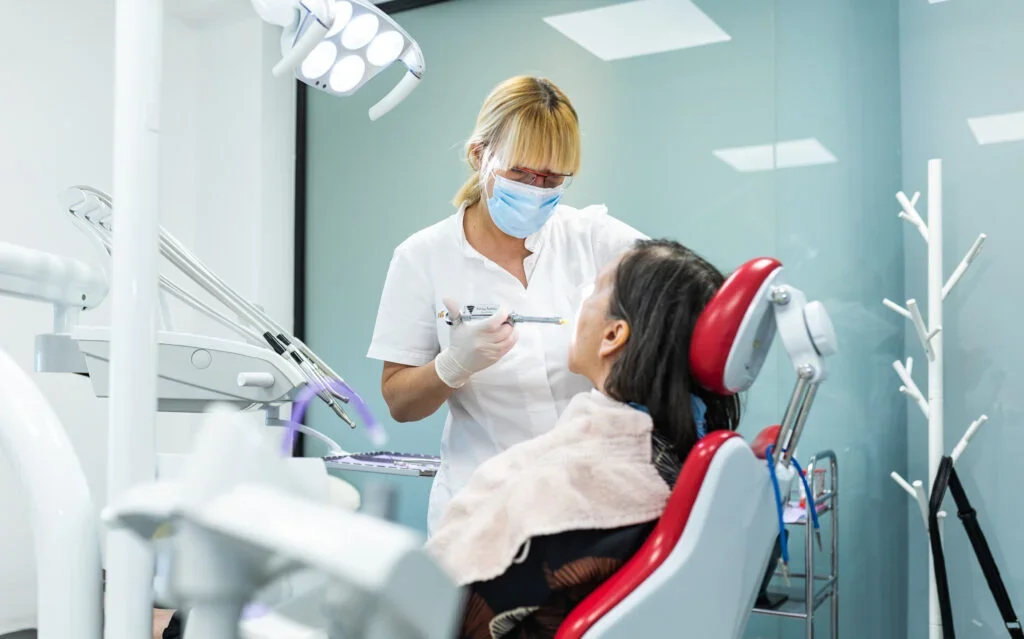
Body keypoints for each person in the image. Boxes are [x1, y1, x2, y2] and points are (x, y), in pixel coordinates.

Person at [368, 75, 646, 535]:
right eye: (521, 173)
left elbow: (680, 289)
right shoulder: (422, 258)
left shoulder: (593, 238)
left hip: (592, 506)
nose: (538, 189)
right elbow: (399, 402)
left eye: (553, 177)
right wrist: (453, 365)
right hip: (483, 514)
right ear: (480, 156)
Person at [425, 239, 742, 639]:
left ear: (613, 335)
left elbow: (446, 615)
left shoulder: (583, 487)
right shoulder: (683, 463)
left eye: (594, 288)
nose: (581, 300)